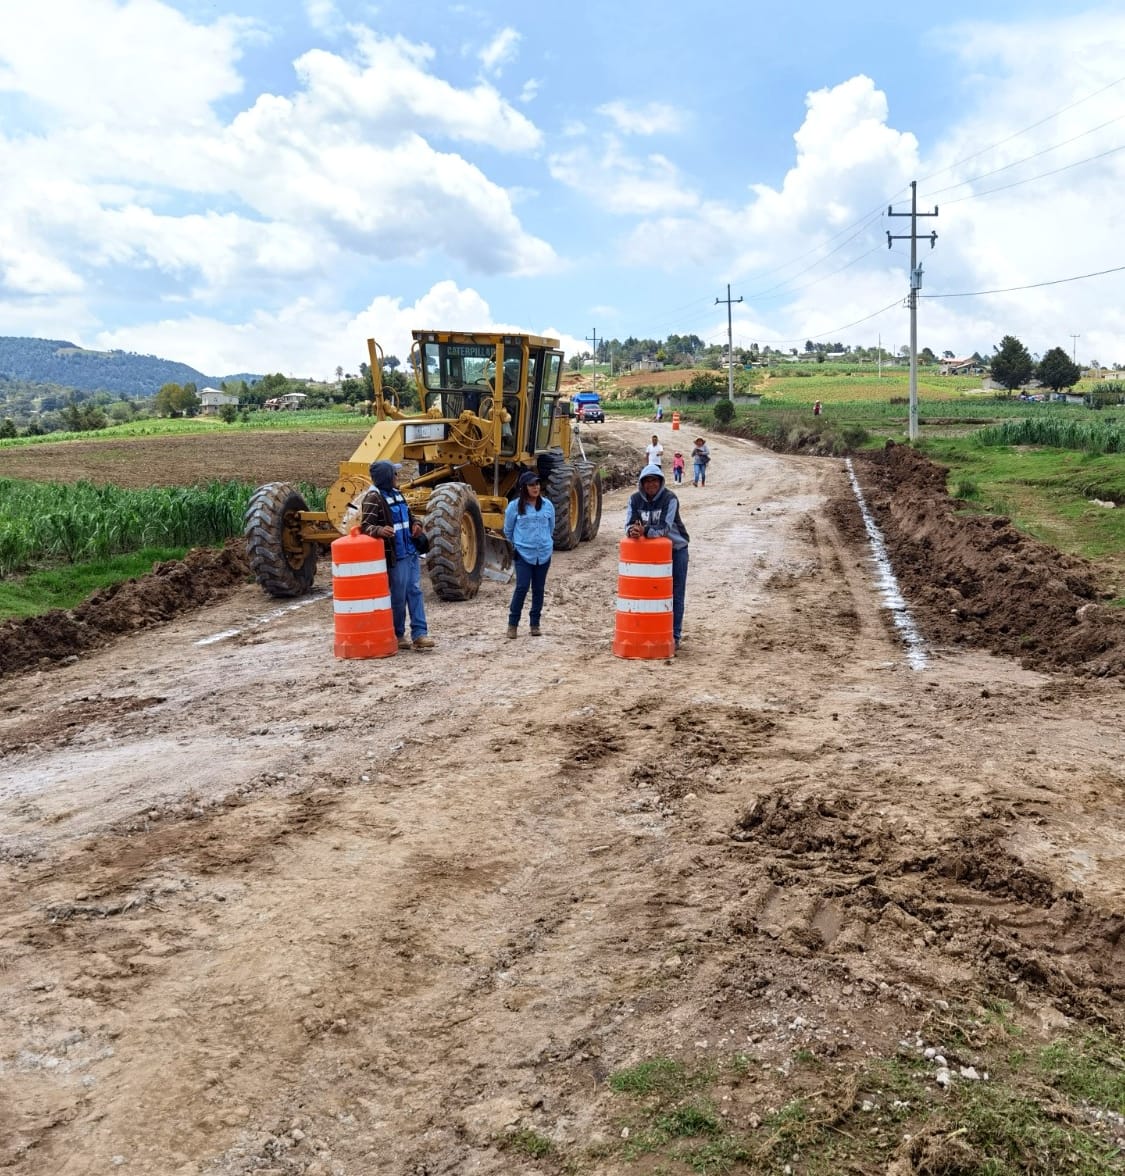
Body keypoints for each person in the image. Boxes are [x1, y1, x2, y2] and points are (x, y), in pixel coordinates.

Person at [360, 461, 435, 651]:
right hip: (396, 556)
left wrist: (416, 524)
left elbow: (410, 516)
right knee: (399, 596)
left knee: (415, 592)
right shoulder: (373, 498)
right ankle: (398, 634)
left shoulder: (397, 494)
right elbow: (365, 527)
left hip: (410, 552)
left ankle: (420, 634)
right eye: (394, 474)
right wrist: (378, 530)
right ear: (386, 476)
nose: (397, 477)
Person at [625, 464, 689, 652]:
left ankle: (674, 636)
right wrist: (632, 531)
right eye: (647, 481)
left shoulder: (670, 499)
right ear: (642, 483)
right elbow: (628, 524)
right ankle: (651, 634)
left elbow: (665, 528)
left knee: (676, 592)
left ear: (660, 482)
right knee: (650, 594)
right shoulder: (634, 500)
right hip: (650, 553)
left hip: (676, 549)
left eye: (654, 480)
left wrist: (644, 530)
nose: (651, 484)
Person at [503, 470, 555, 638]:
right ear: (524, 487)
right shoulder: (514, 507)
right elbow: (508, 531)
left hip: (544, 554)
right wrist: (518, 545)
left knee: (539, 589)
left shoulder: (547, 505)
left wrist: (545, 542)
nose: (536, 487)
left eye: (537, 484)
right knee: (522, 587)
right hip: (523, 554)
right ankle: (513, 624)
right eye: (532, 485)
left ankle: (535, 624)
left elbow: (551, 528)